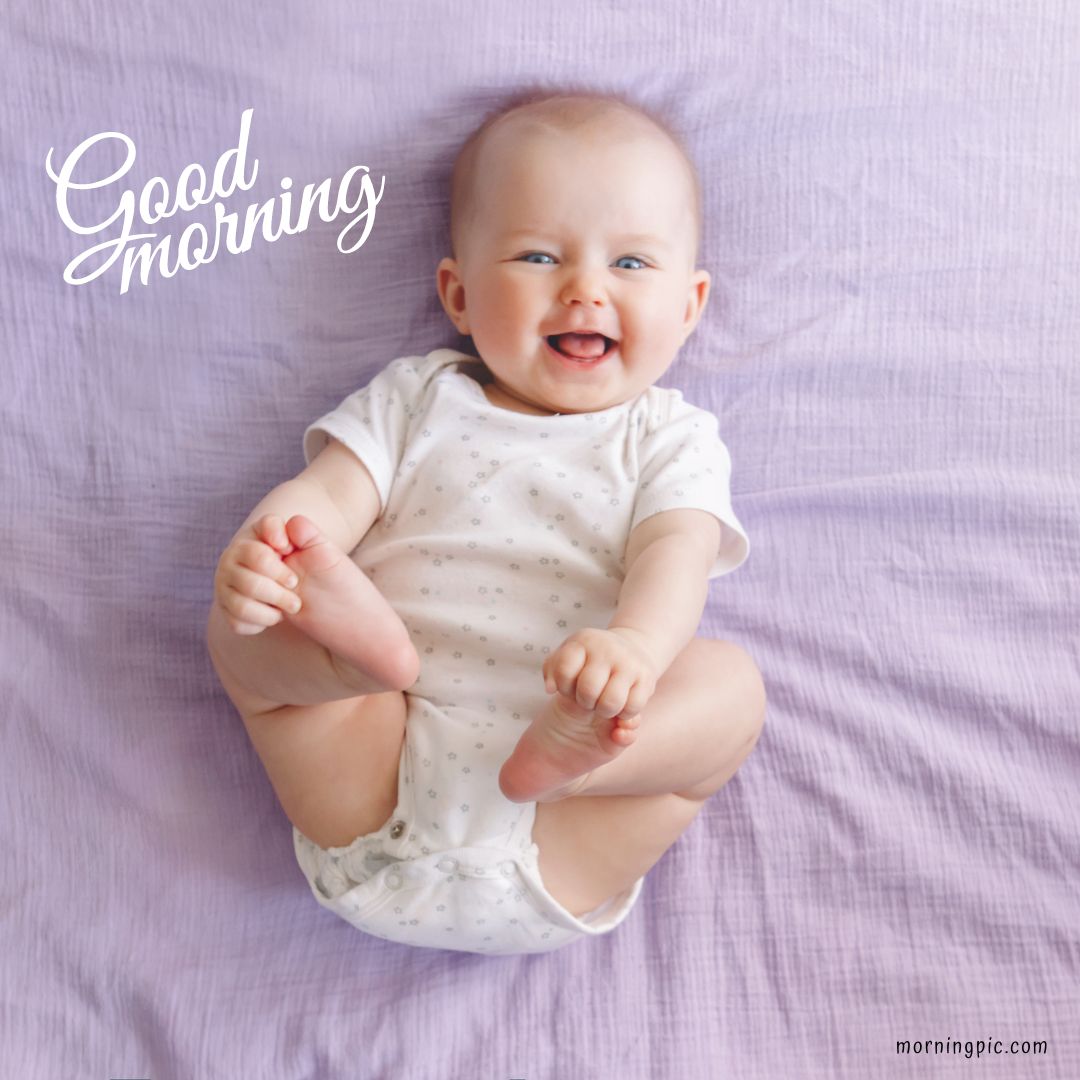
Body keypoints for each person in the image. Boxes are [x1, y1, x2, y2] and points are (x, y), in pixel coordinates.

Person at [206, 89, 767, 955]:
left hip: (558, 829)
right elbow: (329, 495)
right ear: (459, 294)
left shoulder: (670, 436)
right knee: (242, 632)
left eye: (630, 265)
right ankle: (357, 656)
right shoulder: (418, 399)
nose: (585, 288)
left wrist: (636, 654)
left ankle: (593, 754)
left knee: (732, 693)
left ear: (690, 307)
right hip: (376, 767)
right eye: (540, 256)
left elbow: (676, 555)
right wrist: (276, 548)